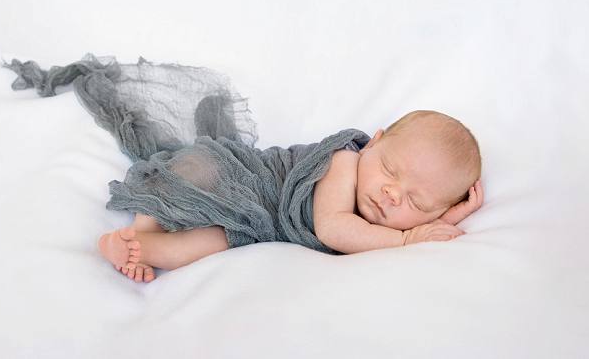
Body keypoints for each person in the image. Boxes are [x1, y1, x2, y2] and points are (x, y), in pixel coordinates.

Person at [98, 110, 484, 281]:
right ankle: (144, 223)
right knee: (193, 172)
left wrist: (439, 224)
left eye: (416, 203)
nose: (392, 195)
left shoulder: (393, 213)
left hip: (259, 221)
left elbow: (396, 230)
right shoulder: (345, 162)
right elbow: (333, 228)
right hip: (249, 178)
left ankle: (140, 248)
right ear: (374, 142)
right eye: (389, 171)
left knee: (215, 242)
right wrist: (406, 238)